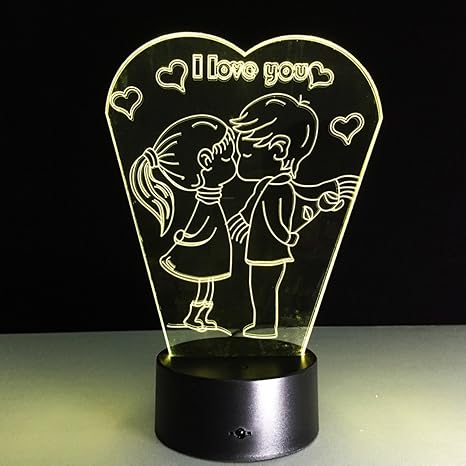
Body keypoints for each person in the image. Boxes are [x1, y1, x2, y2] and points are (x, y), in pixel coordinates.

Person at [228, 93, 358, 338]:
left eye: (245, 153)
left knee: (265, 286)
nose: (238, 159)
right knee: (260, 286)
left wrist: (287, 237)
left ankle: (265, 325)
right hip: (261, 250)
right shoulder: (267, 185)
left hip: (270, 251)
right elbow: (256, 205)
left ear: (279, 149)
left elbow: (276, 220)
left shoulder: (279, 188)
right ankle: (262, 323)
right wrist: (244, 219)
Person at [130, 114, 236, 335]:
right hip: (205, 251)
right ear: (206, 161)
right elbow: (201, 223)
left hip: (211, 250)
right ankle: (194, 317)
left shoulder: (212, 199)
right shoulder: (206, 202)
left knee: (208, 284)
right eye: (228, 156)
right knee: (204, 283)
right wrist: (186, 238)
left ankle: (202, 316)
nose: (235, 160)